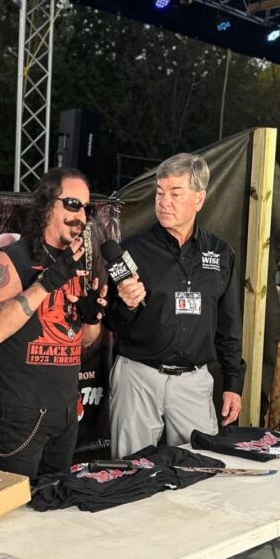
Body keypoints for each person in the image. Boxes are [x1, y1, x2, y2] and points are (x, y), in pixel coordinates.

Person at [106, 152, 246, 458]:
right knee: (131, 472)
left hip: (193, 382)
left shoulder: (220, 253)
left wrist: (234, 382)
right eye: (159, 193)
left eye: (175, 193)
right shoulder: (132, 250)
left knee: (201, 469)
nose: (164, 201)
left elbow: (229, 323)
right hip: (138, 378)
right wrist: (127, 305)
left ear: (198, 199)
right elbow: (111, 322)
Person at [0, 168, 107, 479]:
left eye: (86, 208)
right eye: (72, 204)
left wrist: (91, 318)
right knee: (17, 511)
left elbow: (83, 341)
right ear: (48, 205)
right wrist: (47, 283)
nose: (80, 215)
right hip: (20, 412)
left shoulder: (81, 263)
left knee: (56, 507)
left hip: (64, 410)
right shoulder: (14, 258)